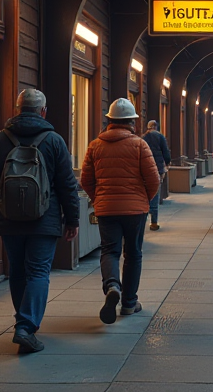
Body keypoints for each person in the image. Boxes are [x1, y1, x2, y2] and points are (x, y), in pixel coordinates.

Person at [0, 89, 80, 353]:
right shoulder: (54, 141)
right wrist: (72, 219)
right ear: (43, 111)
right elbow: (67, 185)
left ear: (17, 108)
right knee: (38, 272)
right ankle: (26, 326)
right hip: (43, 221)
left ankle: (24, 322)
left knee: (18, 271)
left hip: (8, 219)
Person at [81, 98, 160, 325]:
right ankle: (128, 303)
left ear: (110, 121)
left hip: (106, 209)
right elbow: (153, 179)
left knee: (109, 251)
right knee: (133, 253)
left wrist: (99, 199)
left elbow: (86, 180)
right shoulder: (139, 145)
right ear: (131, 123)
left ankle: (112, 285)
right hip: (135, 210)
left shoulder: (95, 145)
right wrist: (144, 200)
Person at [141, 120, 171, 231]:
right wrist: (167, 163)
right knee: (155, 193)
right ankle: (154, 222)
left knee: (144, 194)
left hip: (144, 169)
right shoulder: (160, 137)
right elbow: (165, 152)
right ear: (156, 127)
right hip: (157, 168)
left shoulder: (143, 138)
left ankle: (143, 218)